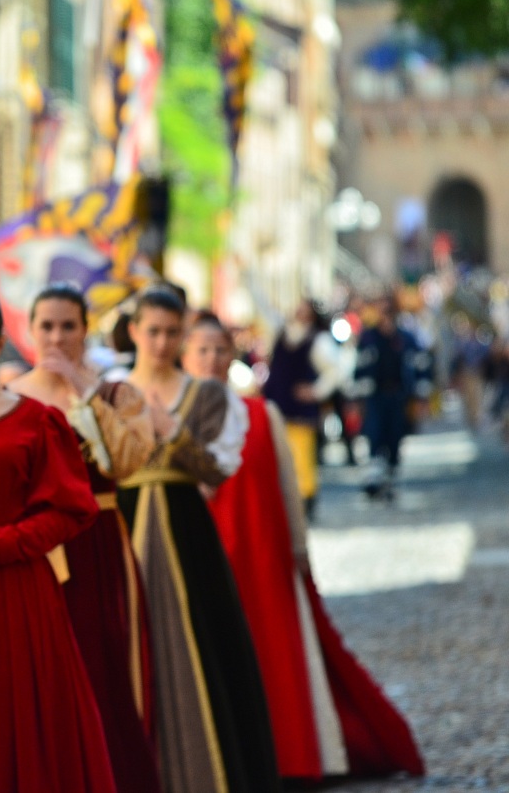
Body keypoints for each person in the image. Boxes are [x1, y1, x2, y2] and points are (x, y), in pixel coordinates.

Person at [186, 312, 425, 781]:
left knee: (273, 660)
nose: (212, 360)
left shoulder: (260, 415)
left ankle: (290, 755)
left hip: (261, 557)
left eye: (220, 350)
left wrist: (299, 554)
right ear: (185, 355)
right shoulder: (163, 417)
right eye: (202, 350)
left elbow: (286, 490)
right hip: (201, 562)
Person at [0, 286, 115, 793]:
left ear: (0, 342)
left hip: (17, 595)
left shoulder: (37, 420)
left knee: (22, 719)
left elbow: (72, 509)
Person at [117, 287, 280, 793]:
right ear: (135, 332)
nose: (161, 342)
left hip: (188, 530)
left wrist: (173, 432)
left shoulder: (207, 395)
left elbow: (218, 468)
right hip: (119, 529)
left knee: (205, 644)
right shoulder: (109, 390)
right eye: (153, 332)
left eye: (171, 333)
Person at [7, 285, 162, 793]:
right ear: (30, 331)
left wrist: (85, 390)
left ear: (85, 330)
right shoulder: (12, 395)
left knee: (105, 658)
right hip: (35, 548)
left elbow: (129, 461)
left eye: (67, 326)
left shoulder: (117, 394)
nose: (56, 337)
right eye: (46, 326)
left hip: (97, 543)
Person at [262, 298, 339, 519]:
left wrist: (316, 391)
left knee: (302, 456)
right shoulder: (280, 332)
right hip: (276, 405)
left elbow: (335, 370)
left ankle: (305, 500)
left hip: (299, 410)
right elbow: (263, 308)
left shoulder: (318, 340)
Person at [353, 296, 432, 500]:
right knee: (374, 433)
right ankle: (375, 479)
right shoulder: (369, 338)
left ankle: (389, 478)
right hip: (375, 395)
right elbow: (359, 369)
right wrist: (357, 397)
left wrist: (422, 394)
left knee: (395, 437)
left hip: (399, 394)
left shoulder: (406, 338)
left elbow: (421, 364)